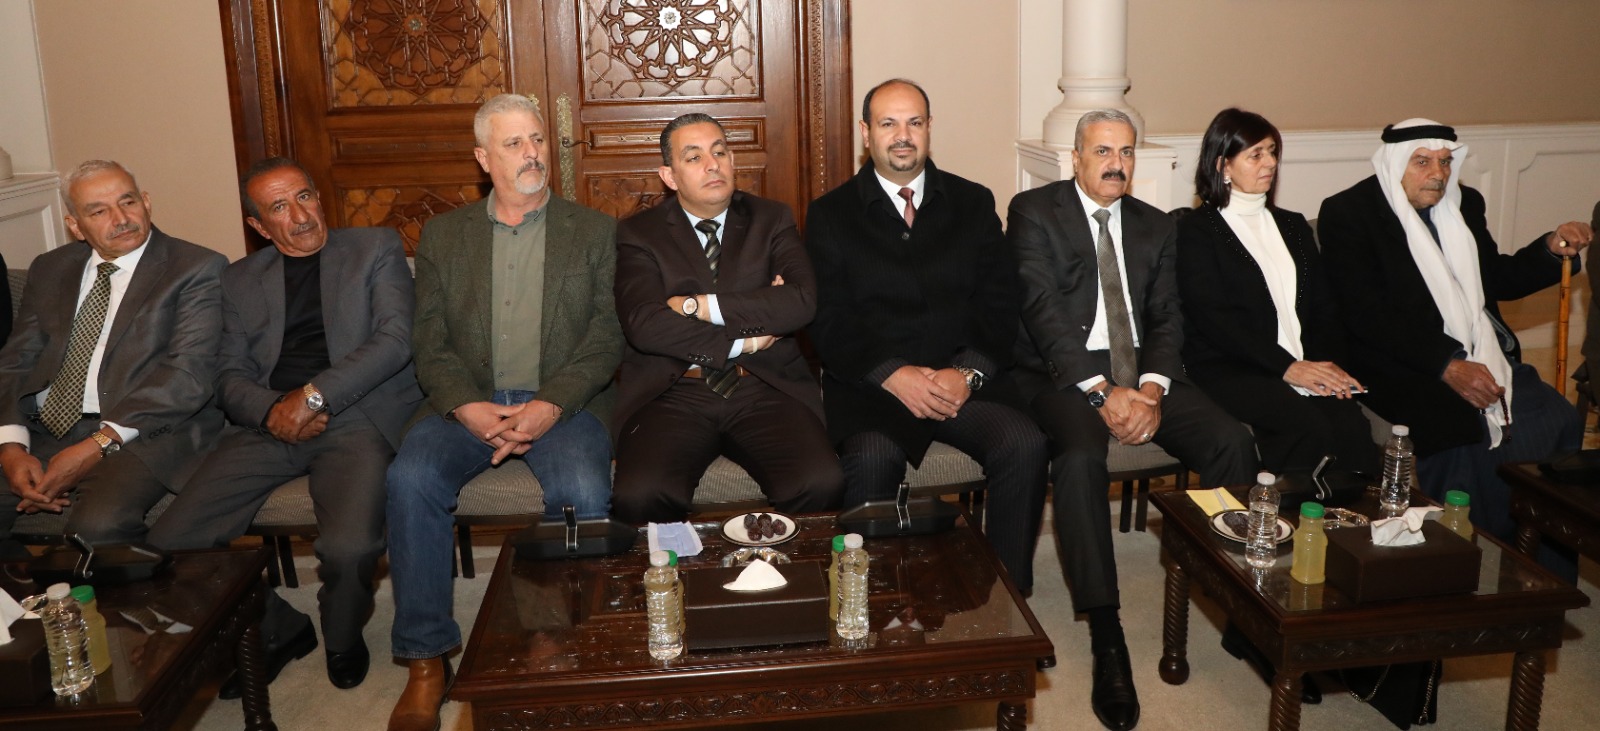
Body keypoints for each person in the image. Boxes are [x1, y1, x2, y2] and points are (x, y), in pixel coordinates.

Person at [1009, 109, 1256, 730]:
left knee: (1230, 442)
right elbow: (1041, 310)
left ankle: (1241, 607)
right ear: (1076, 157)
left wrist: (1149, 388)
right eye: (1102, 152)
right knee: (1079, 458)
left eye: (1125, 152)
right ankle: (1107, 632)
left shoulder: (1156, 224)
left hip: (1144, 371)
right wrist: (1100, 391)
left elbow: (1168, 313)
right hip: (1063, 372)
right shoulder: (1034, 211)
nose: (1115, 164)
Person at [384, 93, 623, 731]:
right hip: (469, 402)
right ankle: (426, 660)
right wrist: (466, 406)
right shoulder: (445, 235)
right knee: (410, 479)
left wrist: (550, 404)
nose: (532, 153)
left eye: (537, 139)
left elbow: (607, 337)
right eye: (514, 143)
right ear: (483, 158)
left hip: (564, 403)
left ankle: (555, 638)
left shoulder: (594, 231)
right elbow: (430, 341)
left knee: (582, 488)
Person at [147, 157, 421, 695]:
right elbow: (227, 375)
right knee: (171, 545)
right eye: (279, 207)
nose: (300, 215)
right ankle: (278, 627)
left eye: (304, 197)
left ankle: (342, 637)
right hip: (268, 425)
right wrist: (275, 410)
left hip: (356, 418)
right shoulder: (238, 280)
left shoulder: (374, 247)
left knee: (350, 549)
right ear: (258, 225)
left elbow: (394, 341)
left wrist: (312, 398)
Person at [805, 78, 1047, 601]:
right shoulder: (830, 214)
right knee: (873, 459)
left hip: (963, 382)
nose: (903, 135)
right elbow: (829, 321)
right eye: (888, 123)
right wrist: (893, 374)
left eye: (914, 122)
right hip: (873, 389)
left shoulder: (973, 202)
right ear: (865, 132)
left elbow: (1000, 304)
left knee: (1024, 442)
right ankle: (866, 607)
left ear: (929, 128)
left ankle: (1007, 603)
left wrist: (968, 373)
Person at [1318, 118, 1592, 577]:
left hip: (1480, 349)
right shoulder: (1350, 212)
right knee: (1461, 432)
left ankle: (1542, 572)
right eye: (1422, 163)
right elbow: (1366, 315)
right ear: (1395, 165)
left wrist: (1549, 248)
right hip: (1397, 361)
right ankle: (1464, 562)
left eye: (1445, 162)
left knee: (1558, 417)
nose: (1438, 175)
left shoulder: (1465, 205)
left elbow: (1495, 278)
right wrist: (1447, 364)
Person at [611, 113, 842, 522]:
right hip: (675, 391)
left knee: (821, 481)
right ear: (669, 176)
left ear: (733, 161)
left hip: (763, 385)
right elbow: (645, 324)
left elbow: (802, 301)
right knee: (640, 494)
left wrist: (696, 305)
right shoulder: (640, 233)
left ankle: (782, 561)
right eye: (694, 157)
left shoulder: (771, 219)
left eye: (719, 152)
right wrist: (745, 337)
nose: (712, 164)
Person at [0, 160, 225, 559]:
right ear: (75, 225)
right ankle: (23, 594)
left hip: (144, 433)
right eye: (99, 211)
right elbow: (17, 361)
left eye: (128, 202)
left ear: (146, 202)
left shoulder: (196, 268)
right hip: (45, 429)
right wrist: (12, 447)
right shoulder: (50, 268)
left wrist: (96, 444)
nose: (120, 219)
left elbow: (187, 375)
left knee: (96, 528)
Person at [1176, 108, 1379, 477]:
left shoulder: (1293, 226)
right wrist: (1288, 368)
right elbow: (1216, 321)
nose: (1270, 162)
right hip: (1230, 367)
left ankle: (1347, 513)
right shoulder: (1196, 231)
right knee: (1306, 427)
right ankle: (1288, 510)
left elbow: (1324, 309)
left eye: (1272, 152)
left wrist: (1326, 365)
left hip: (1301, 362)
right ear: (1223, 165)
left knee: (1351, 427)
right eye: (1255, 154)